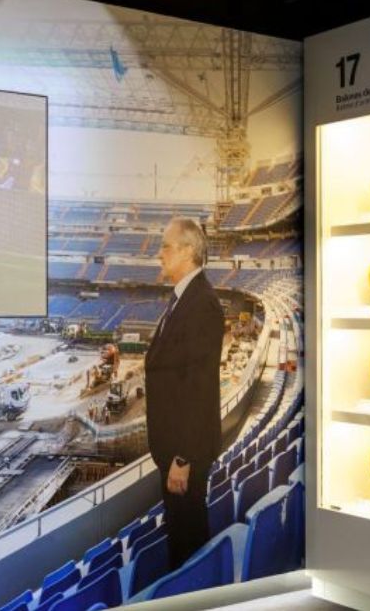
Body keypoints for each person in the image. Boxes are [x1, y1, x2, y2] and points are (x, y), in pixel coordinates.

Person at [145, 217, 224, 569]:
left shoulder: (201, 303)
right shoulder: (183, 298)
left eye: (166, 246)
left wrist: (183, 457)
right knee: (182, 535)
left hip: (184, 454)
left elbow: (197, 386)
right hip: (175, 449)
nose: (159, 254)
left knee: (187, 542)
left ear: (188, 251)